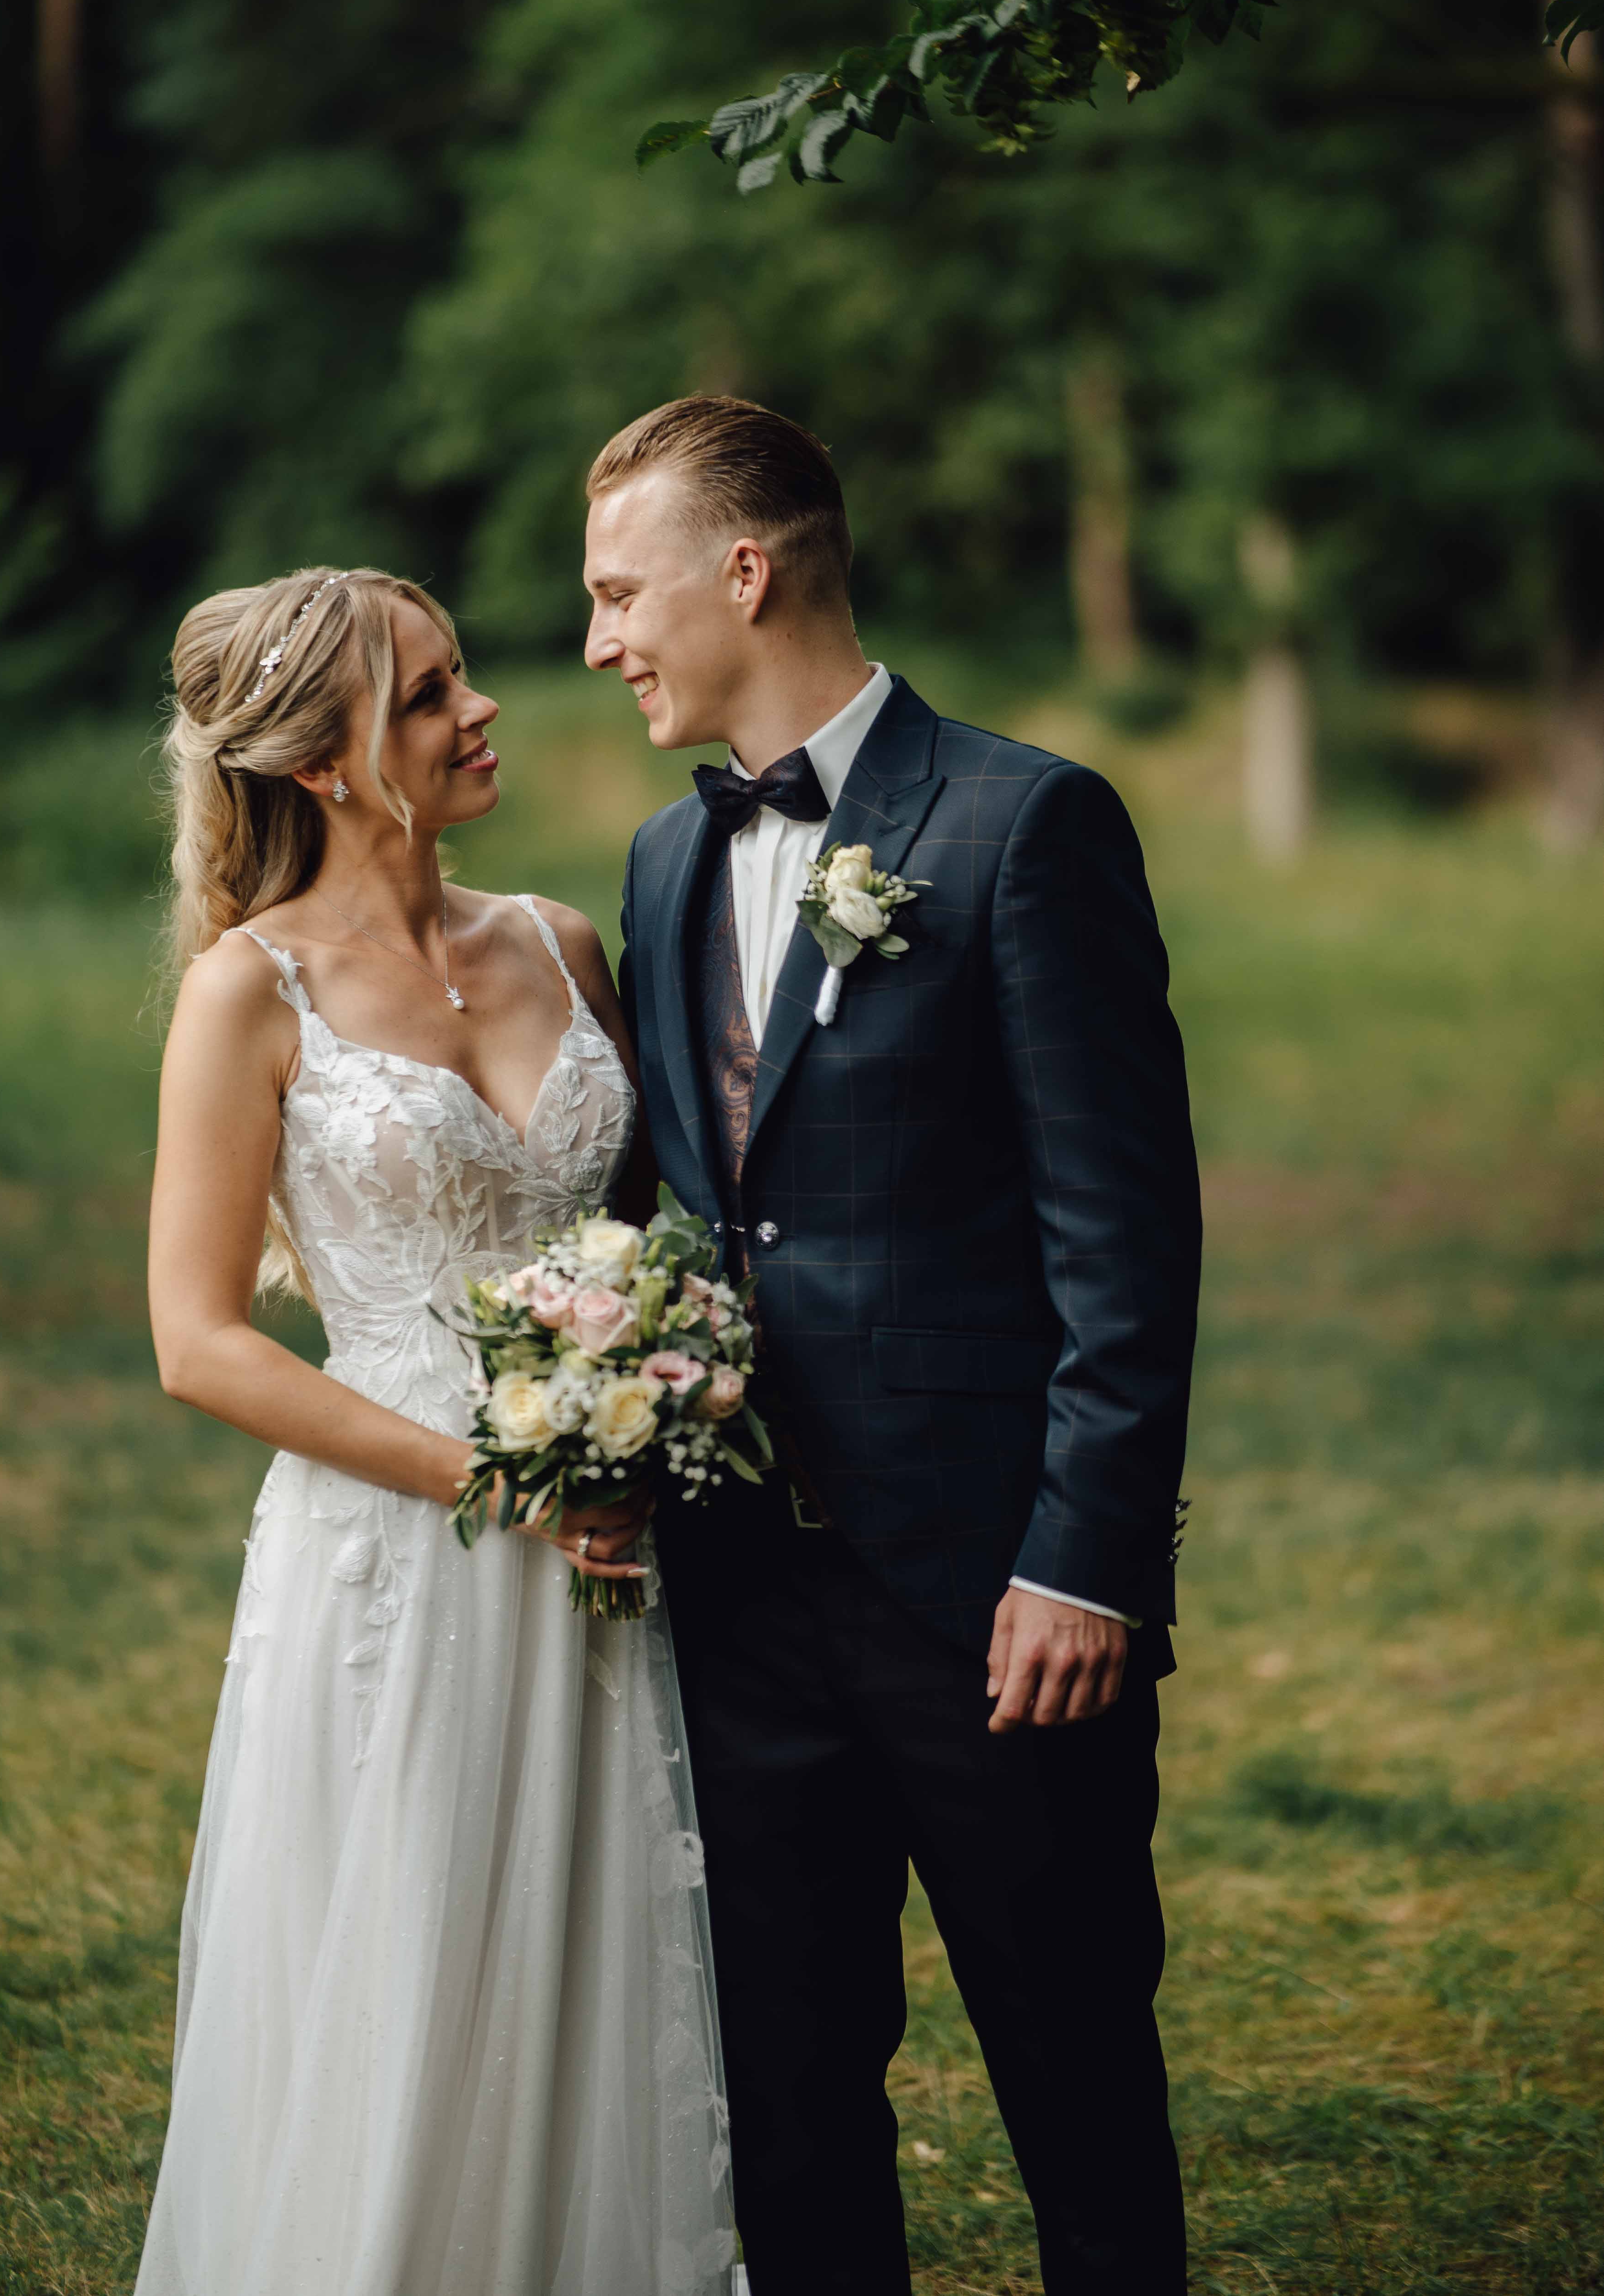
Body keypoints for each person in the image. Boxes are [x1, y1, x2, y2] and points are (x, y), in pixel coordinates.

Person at [589, 399, 1202, 2296]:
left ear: (744, 570)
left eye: (621, 590)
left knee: (1076, 2078)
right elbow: (680, 1205)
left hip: (993, 1606)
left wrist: (1077, 1559)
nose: (604, 636)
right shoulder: (662, 862)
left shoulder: (1024, 823)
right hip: (745, 1594)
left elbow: (1126, 1235)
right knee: (788, 2096)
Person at [136, 566, 736, 2296]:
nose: (478, 710)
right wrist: (496, 1482)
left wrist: (657, 1383)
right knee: (402, 1952)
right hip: (396, 1546)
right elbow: (197, 1342)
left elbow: (655, 1235)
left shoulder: (556, 940)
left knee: (588, 1946)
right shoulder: (250, 995)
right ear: (319, 763)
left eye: (457, 677)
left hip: (607, 1527)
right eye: (424, 696)